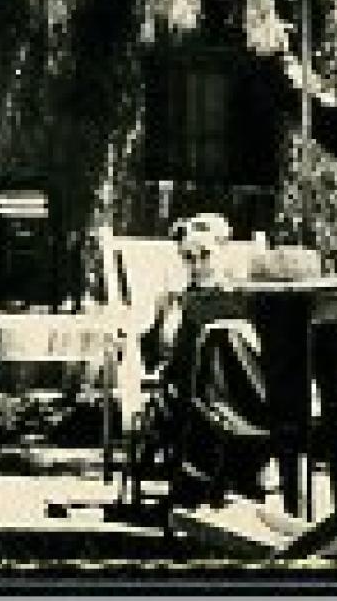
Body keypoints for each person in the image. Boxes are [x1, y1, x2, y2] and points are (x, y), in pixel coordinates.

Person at [140, 212, 278, 504]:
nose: (197, 265)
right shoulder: (173, 300)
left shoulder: (243, 296)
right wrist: (168, 316)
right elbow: (154, 351)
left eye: (205, 255)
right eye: (189, 258)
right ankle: (231, 466)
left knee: (223, 337)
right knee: (212, 338)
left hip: (237, 389)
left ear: (221, 252)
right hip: (185, 385)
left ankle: (232, 461)